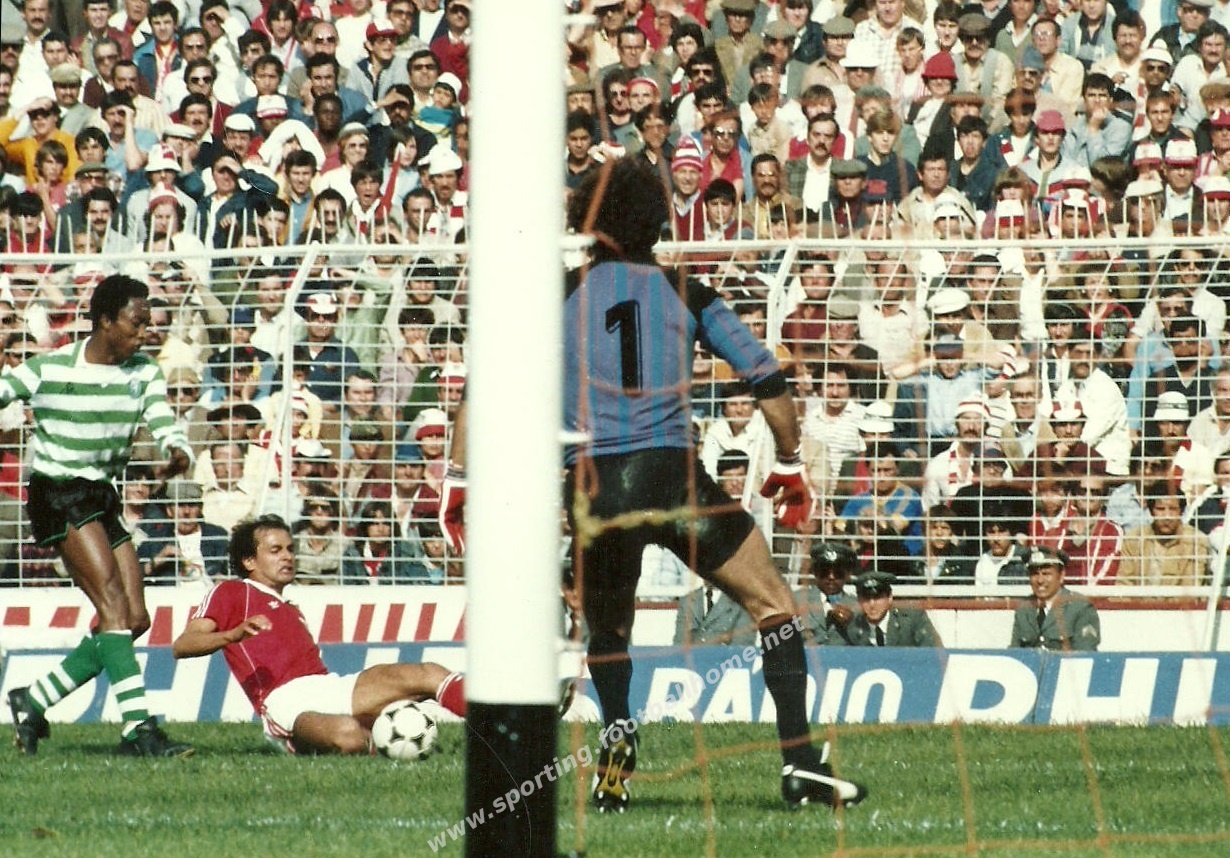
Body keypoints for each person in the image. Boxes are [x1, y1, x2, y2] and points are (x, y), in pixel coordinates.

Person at [440, 158, 866, 811]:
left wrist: (458, 479)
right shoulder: (686, 291)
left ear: (586, 220)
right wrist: (787, 460)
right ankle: (801, 763)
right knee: (775, 605)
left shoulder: (552, 296)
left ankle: (617, 736)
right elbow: (766, 375)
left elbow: (483, 385)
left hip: (596, 489)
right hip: (674, 478)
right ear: (657, 220)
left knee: (610, 630)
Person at [4, 273, 195, 757]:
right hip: (58, 492)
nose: (145, 333)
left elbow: (163, 419)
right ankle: (139, 730)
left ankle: (34, 699)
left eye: (148, 324)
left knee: (133, 618)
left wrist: (177, 450)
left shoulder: (143, 372)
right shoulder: (49, 369)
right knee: (110, 604)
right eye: (136, 323)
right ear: (105, 321)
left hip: (100, 494)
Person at [172, 514, 466, 753]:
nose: (287, 557)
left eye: (290, 549)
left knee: (429, 673)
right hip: (285, 701)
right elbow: (183, 645)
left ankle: (493, 731)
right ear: (249, 561)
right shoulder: (233, 592)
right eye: (275, 550)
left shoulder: (290, 607)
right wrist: (231, 635)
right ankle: (339, 741)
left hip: (328, 686)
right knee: (349, 736)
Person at [1010, 546, 1101, 651]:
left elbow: (1085, 653)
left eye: (1046, 574)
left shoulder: (1080, 608)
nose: (1040, 580)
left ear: (1061, 576)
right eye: (1035, 574)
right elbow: (1015, 652)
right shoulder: (1024, 609)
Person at [840, 571, 942, 647]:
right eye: (866, 598)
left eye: (877, 598)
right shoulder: (853, 625)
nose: (872, 604)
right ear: (859, 600)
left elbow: (936, 655)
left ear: (889, 597)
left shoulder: (912, 620)